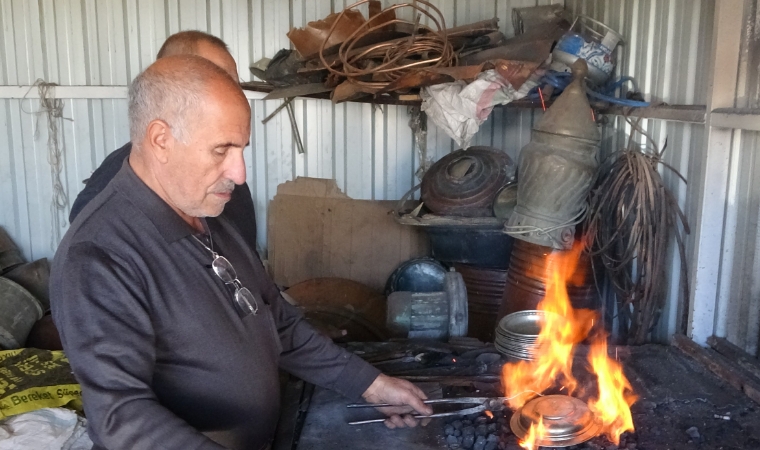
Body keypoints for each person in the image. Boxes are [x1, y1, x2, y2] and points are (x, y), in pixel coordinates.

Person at [50, 55, 432, 450]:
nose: (240, 173)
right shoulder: (99, 256)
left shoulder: (208, 211)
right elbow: (123, 419)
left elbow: (277, 320)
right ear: (160, 139)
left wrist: (368, 384)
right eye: (221, 150)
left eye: (242, 148)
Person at [68, 31, 259, 253]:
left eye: (233, 84)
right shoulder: (106, 209)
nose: (238, 174)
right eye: (211, 79)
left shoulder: (230, 178)